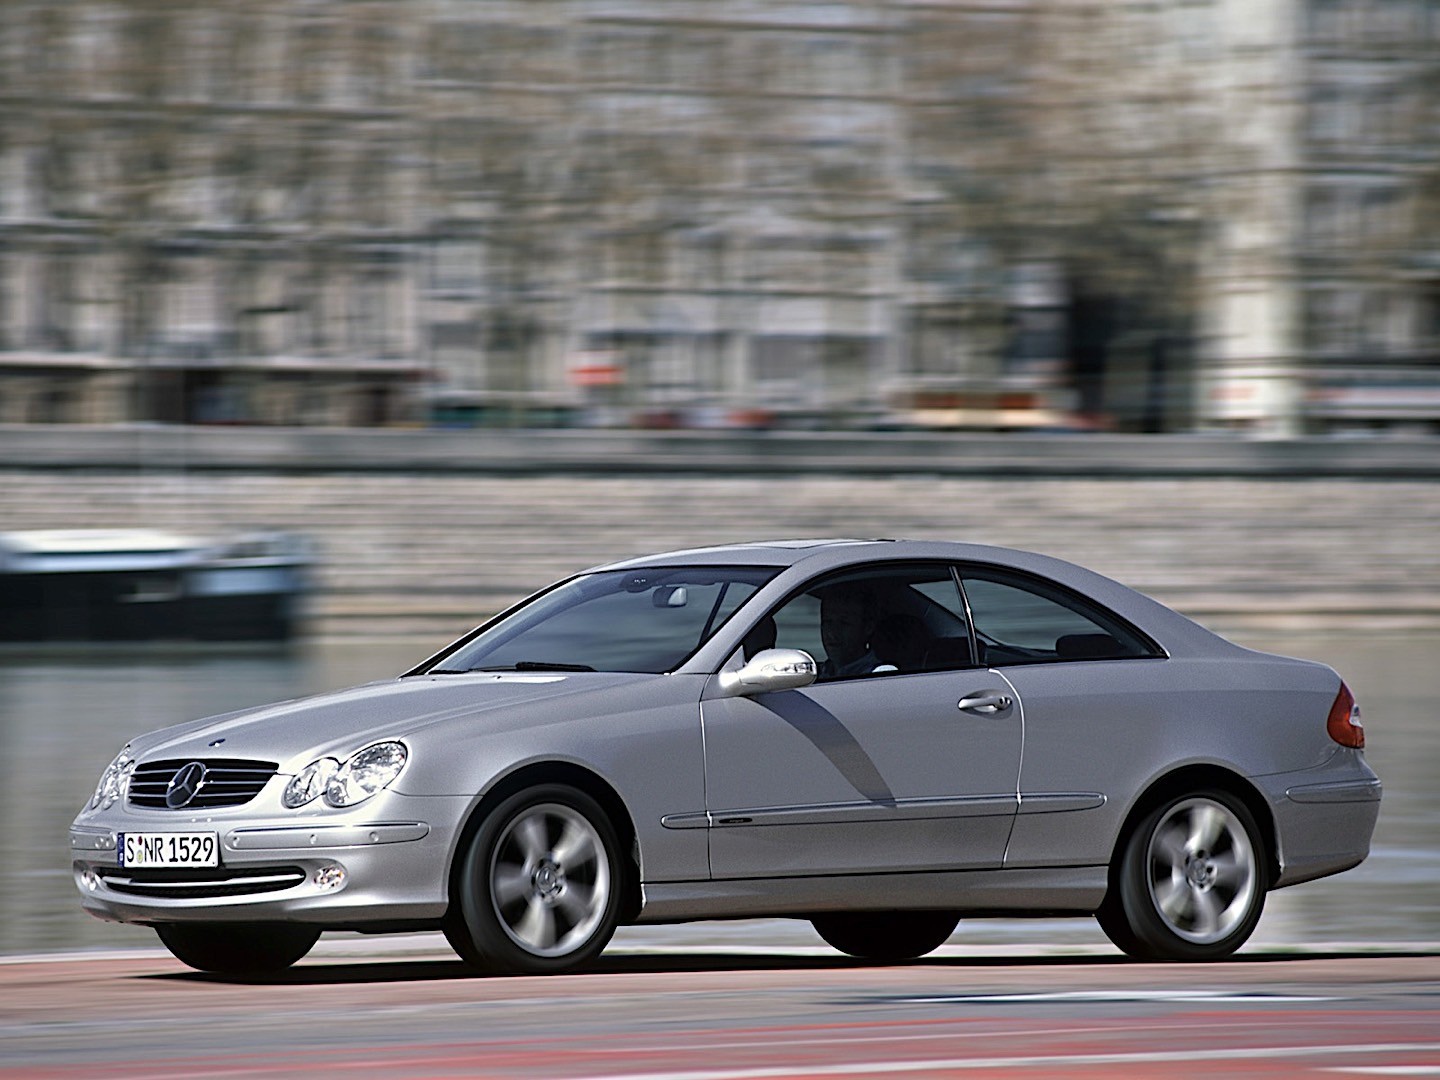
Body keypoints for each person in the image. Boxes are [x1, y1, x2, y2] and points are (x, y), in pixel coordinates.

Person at [818, 585, 879, 678]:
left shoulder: (879, 676)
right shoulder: (819, 673)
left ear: (868, 628)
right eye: (827, 622)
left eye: (844, 623)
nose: (832, 633)